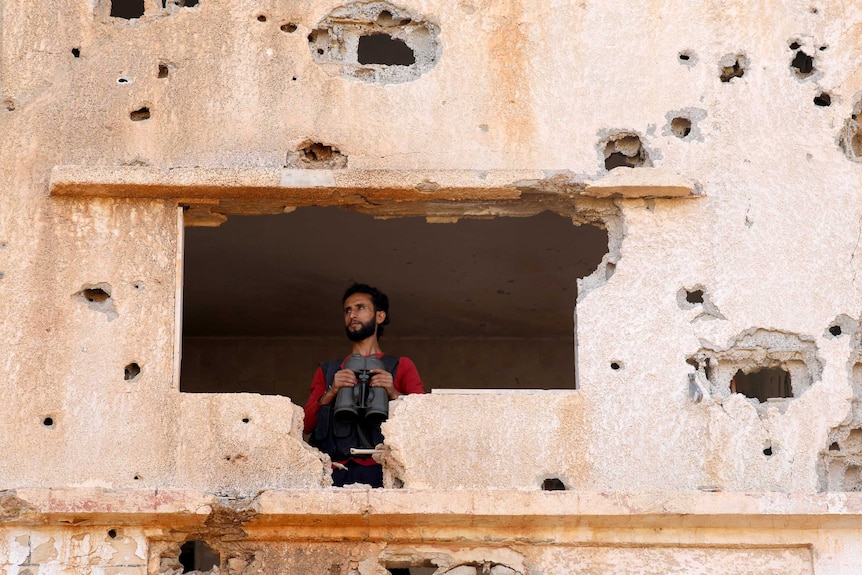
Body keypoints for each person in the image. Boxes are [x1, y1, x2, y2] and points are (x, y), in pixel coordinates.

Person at [304, 282, 425, 487]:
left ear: (380, 316)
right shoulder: (328, 370)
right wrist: (332, 391)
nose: (352, 315)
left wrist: (394, 394)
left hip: (384, 472)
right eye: (347, 310)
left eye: (360, 308)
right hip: (335, 472)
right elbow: (306, 424)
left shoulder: (400, 365)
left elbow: (425, 418)